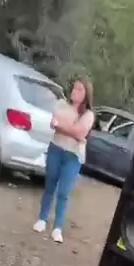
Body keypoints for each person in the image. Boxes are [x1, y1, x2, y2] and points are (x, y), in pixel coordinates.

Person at [34, 77, 94, 244]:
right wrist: (73, 131)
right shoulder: (61, 105)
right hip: (56, 148)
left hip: (73, 155)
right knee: (50, 185)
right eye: (74, 88)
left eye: (80, 89)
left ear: (86, 94)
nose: (75, 91)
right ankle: (42, 219)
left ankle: (58, 227)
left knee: (64, 192)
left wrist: (64, 127)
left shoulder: (88, 115)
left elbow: (79, 131)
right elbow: (55, 124)